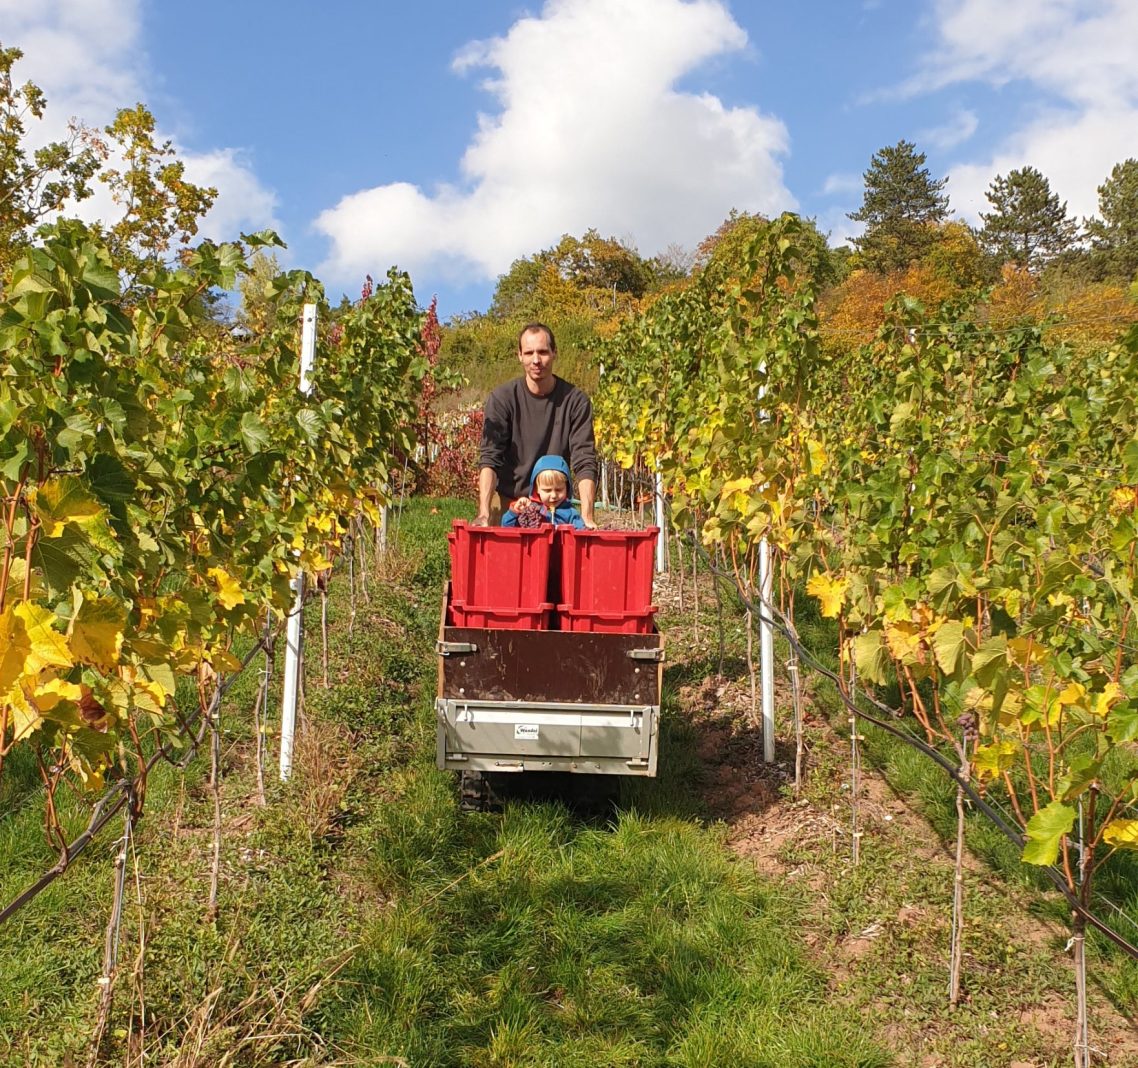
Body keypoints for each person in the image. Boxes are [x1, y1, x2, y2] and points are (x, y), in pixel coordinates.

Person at [474, 322, 597, 527]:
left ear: (554, 353)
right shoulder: (503, 399)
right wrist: (484, 513)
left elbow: (584, 461)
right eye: (529, 353)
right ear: (520, 355)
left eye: (543, 352)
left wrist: (587, 516)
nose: (536, 360)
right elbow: (489, 458)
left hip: (557, 509)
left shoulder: (575, 401)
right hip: (512, 504)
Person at [501, 455, 588, 529]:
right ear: (537, 489)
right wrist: (515, 511)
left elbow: (580, 534)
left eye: (559, 490)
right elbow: (506, 527)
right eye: (547, 490)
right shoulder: (530, 510)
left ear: (567, 488)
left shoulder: (570, 513)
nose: (553, 495)